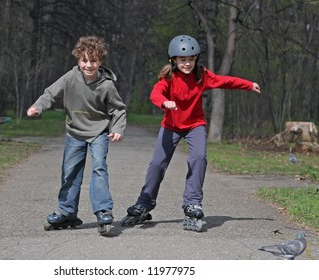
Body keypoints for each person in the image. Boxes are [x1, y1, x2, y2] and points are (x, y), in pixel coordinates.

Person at [121, 34, 260, 231]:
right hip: (171, 125)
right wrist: (164, 102)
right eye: (183, 60)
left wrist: (248, 84)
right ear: (174, 60)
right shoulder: (168, 77)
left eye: (191, 59)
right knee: (157, 164)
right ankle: (144, 203)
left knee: (199, 158)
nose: (187, 64)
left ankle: (192, 203)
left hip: (195, 124)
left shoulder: (201, 75)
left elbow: (223, 81)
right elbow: (155, 93)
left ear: (196, 59)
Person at [27, 36, 126, 235]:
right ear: (78, 60)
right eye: (84, 60)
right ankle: (67, 211)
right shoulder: (70, 77)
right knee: (70, 172)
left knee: (99, 168)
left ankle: (103, 211)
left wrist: (117, 129)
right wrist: (38, 106)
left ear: (100, 61)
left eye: (94, 61)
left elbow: (118, 109)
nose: (89, 65)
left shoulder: (106, 85)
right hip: (75, 132)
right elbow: (50, 93)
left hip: (99, 132)